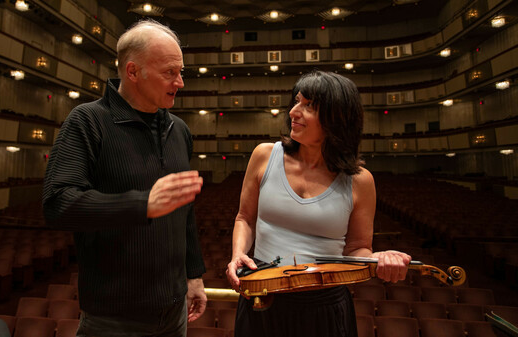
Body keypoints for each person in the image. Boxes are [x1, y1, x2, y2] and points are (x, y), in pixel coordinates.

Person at [42, 19, 206, 337]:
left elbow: (184, 211)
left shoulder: (179, 130)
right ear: (133, 72)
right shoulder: (87, 121)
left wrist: (194, 274)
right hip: (113, 319)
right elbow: (58, 203)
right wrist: (144, 203)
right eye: (170, 72)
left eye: (181, 71)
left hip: (175, 313)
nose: (181, 82)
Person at [225, 70, 411, 337]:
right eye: (297, 101)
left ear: (337, 118)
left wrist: (377, 258)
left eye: (308, 106)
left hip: (324, 305)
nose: (293, 112)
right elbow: (245, 218)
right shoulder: (264, 155)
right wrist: (238, 253)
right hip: (263, 294)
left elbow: (357, 249)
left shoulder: (360, 181)